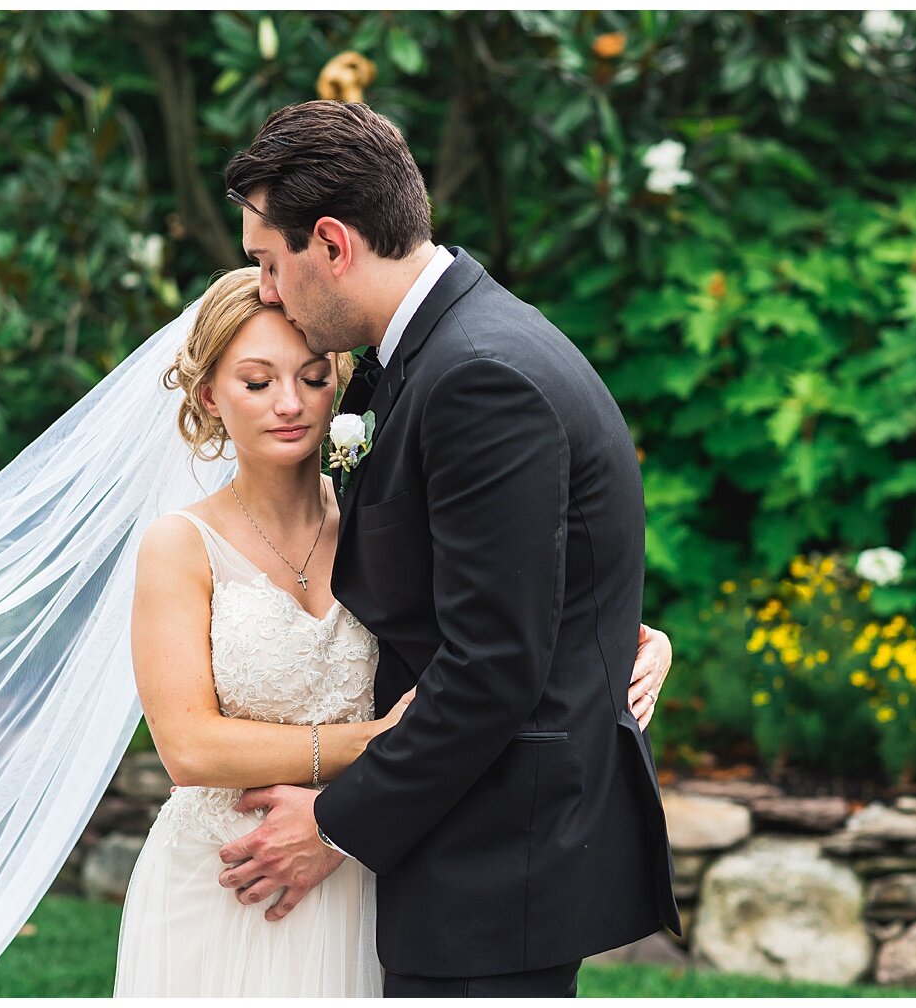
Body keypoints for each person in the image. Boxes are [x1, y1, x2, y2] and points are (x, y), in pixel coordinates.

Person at [216, 101, 681, 998]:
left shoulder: (477, 376)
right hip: (480, 848)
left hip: (494, 861)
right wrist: (612, 629)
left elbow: (493, 664)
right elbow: (509, 583)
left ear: (332, 243)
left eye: (268, 264)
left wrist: (336, 826)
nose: (267, 291)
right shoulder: (459, 347)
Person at [112, 267, 673, 996]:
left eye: (314, 379)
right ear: (208, 396)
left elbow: (503, 613)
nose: (291, 404)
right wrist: (370, 743)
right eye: (257, 383)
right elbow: (187, 746)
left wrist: (628, 635)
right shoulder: (178, 543)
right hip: (230, 868)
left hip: (366, 866)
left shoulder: (377, 514)